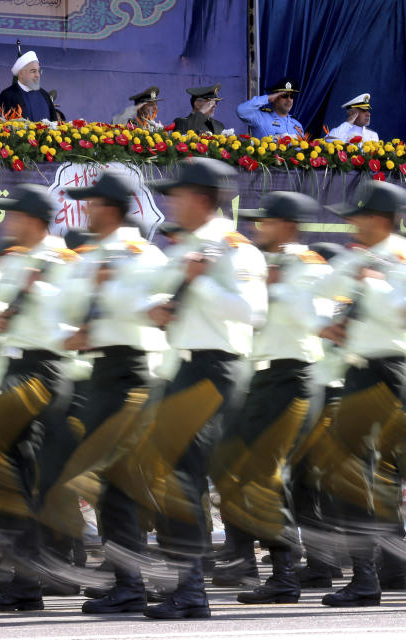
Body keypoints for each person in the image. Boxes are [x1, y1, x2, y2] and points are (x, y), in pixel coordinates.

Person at [141, 158, 267, 619]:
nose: (170, 201)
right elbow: (157, 300)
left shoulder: (237, 250)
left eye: (177, 194)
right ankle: (185, 581)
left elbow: (252, 312)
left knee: (181, 475)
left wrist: (201, 283)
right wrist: (156, 309)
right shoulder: (187, 249)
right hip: (184, 369)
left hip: (217, 368)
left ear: (201, 199)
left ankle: (191, 589)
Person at [51, 171, 168, 615]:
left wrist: (107, 297)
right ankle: (128, 575)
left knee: (122, 481)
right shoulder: (90, 256)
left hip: (133, 371)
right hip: (103, 371)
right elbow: (66, 309)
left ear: (111, 209)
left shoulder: (143, 255)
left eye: (93, 203)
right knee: (110, 481)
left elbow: (158, 311)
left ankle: (137, 579)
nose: (86, 210)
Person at [0, 184, 77, 613]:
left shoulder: (64, 262)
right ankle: (28, 580)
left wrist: (27, 300)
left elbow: (67, 317)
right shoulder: (16, 261)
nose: (7, 222)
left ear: (33, 220)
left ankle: (45, 573)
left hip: (44, 370)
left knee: (29, 480)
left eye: (14, 215)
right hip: (13, 370)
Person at [217, 192, 332, 606]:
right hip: (262, 380)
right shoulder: (260, 266)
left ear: (286, 225)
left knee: (269, 476)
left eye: (264, 221)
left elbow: (317, 316)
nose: (255, 228)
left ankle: (285, 574)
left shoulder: (307, 266)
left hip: (294, 375)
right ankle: (262, 563)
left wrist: (274, 291)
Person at [314, 180, 406, 609]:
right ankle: (382, 571)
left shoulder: (405, 262)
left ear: (378, 219)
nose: (351, 225)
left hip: (390, 368)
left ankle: (369, 577)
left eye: (357, 217)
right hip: (360, 369)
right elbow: (319, 295)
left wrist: (371, 283)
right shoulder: (361, 260)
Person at [0, 51, 58, 122]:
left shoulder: (44, 95)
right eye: (33, 71)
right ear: (21, 73)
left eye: (39, 71)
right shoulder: (7, 95)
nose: (37, 75)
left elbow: (54, 122)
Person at [236, 77, 304, 138]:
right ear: (275, 97)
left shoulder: (297, 124)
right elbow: (241, 110)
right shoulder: (261, 117)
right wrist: (268, 98)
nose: (289, 100)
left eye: (292, 96)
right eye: (284, 96)